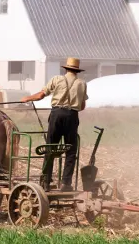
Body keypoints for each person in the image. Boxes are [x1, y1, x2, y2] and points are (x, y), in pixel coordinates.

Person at [20, 57, 88, 191]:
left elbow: (40, 95)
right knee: (70, 150)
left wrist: (27, 98)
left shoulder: (57, 79)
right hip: (72, 116)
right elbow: (82, 106)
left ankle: (45, 182)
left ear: (66, 68)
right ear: (77, 70)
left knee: (50, 148)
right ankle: (66, 184)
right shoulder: (82, 84)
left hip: (57, 115)